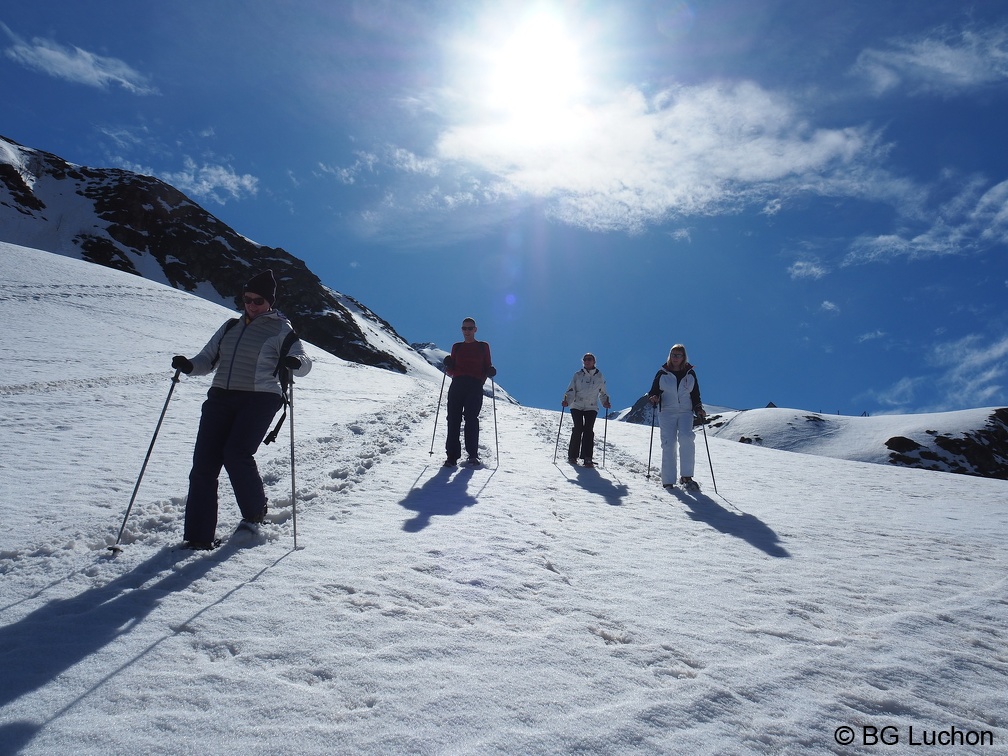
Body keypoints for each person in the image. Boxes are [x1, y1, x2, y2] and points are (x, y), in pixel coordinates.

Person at [171, 270, 312, 549]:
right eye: (246, 299)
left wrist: (295, 362)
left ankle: (255, 511)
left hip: (260, 398)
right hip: (221, 396)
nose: (251, 305)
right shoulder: (229, 327)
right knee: (204, 464)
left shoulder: (281, 329)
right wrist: (189, 366)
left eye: (258, 300)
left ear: (270, 301)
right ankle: (198, 538)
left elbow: (304, 360)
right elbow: (206, 359)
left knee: (236, 453)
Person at [648, 344, 706, 491]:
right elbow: (653, 391)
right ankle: (668, 480)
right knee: (668, 443)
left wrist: (698, 407)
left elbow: (695, 394)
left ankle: (686, 476)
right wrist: (654, 397)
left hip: (686, 411)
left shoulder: (690, 374)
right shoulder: (662, 373)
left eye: (678, 355)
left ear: (683, 357)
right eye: (673, 354)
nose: (675, 358)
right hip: (667, 411)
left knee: (687, 438)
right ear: (670, 355)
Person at [442, 317, 495, 466]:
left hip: (474, 385)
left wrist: (489, 372)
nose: (467, 331)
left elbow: (487, 365)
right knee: (453, 419)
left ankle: (473, 455)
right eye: (464, 328)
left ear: (475, 330)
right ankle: (452, 456)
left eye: (470, 328)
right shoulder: (457, 347)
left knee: (471, 418)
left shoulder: (483, 346)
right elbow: (451, 370)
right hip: (457, 383)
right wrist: (449, 364)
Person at [562, 353, 611, 467]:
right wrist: (567, 401)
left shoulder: (599, 376)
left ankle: (587, 457)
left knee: (589, 430)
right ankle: (572, 456)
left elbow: (603, 392)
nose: (587, 361)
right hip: (577, 405)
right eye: (585, 359)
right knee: (578, 428)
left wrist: (605, 402)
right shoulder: (578, 375)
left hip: (591, 406)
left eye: (589, 359)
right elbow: (571, 390)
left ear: (594, 362)